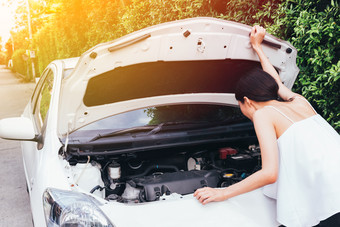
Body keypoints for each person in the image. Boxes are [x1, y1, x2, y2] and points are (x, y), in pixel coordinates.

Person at [194, 25, 340, 227]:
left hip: (332, 203)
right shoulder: (299, 102)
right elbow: (277, 84)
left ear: (248, 101)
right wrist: (258, 47)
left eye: (240, 106)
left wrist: (223, 192)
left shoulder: (263, 115)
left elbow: (270, 173)